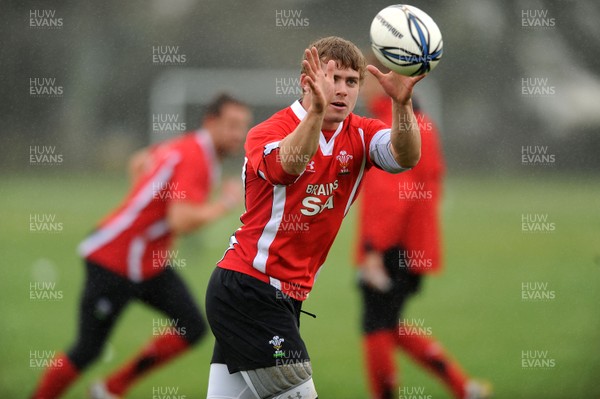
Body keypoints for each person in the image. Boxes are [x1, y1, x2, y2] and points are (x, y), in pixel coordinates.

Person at [204, 36, 424, 399]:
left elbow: (405, 157)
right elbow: (289, 167)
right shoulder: (267, 133)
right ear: (307, 80)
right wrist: (316, 112)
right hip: (249, 291)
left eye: (351, 82)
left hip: (283, 299)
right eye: (331, 79)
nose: (341, 90)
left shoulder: (362, 133)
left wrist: (402, 105)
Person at [30, 94, 252, 399]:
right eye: (232, 125)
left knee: (191, 326)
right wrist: (225, 203)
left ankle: (110, 389)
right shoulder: (197, 157)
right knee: (87, 349)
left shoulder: (187, 146)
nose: (238, 135)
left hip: (146, 262)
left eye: (243, 127)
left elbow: (138, 161)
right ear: (210, 122)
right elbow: (181, 220)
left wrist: (145, 217)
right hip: (114, 259)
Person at [356, 58, 491, 399]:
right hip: (415, 246)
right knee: (391, 326)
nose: (360, 86)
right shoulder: (423, 123)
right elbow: (434, 182)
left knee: (375, 327)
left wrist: (373, 249)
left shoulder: (390, 125)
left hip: (391, 247)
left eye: (364, 78)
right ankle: (465, 387)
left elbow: (390, 197)